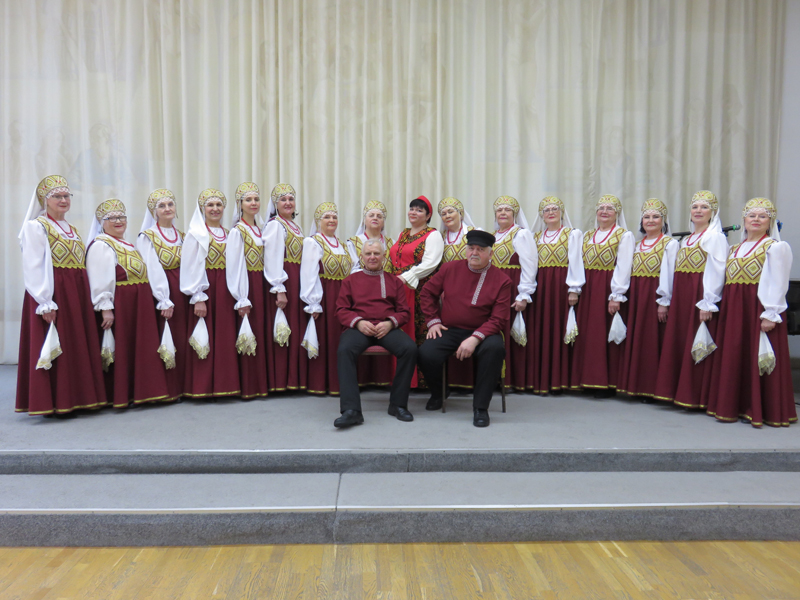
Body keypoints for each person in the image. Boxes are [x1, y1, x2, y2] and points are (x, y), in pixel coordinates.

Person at [16, 175, 107, 416]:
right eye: (57, 196)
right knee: (58, 341)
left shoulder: (72, 229)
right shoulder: (36, 227)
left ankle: (80, 397)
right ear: (45, 200)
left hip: (76, 291)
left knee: (76, 341)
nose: (63, 200)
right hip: (54, 291)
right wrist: (45, 301)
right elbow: (34, 265)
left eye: (66, 196)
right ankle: (55, 401)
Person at [706, 198, 796, 427]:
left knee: (758, 356)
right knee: (734, 354)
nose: (756, 220)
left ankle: (763, 409)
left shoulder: (776, 247)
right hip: (734, 311)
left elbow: (778, 282)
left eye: (762, 216)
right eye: (751, 215)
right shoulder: (734, 249)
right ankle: (733, 405)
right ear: (744, 220)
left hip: (758, 309)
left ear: (770, 222)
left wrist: (771, 312)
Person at [418, 230, 512, 427]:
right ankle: (439, 392)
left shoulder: (502, 280)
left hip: (485, 332)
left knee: (494, 350)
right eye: (471, 248)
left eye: (480, 249)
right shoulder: (450, 268)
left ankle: (480, 408)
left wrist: (475, 338)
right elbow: (427, 293)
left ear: (490, 253)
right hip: (450, 329)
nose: (474, 253)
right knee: (426, 352)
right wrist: (433, 321)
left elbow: (499, 318)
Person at [85, 199, 175, 407]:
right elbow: (100, 279)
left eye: (121, 217)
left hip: (139, 304)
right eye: (112, 218)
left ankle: (143, 391)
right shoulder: (101, 245)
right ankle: (122, 394)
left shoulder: (126, 244)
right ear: (102, 223)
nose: (118, 221)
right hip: (124, 305)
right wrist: (106, 308)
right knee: (124, 347)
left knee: (140, 347)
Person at [653, 191, 728, 408]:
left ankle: (696, 396)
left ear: (713, 212)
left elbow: (717, 270)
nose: (698, 211)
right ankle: (677, 391)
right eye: (695, 207)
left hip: (699, 296)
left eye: (704, 207)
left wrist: (708, 302)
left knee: (698, 341)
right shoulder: (686, 240)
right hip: (682, 296)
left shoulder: (715, 237)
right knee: (680, 340)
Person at [334, 239, 417, 427]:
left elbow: (404, 312)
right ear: (362, 256)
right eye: (368, 253)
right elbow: (341, 310)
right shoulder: (350, 281)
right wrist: (358, 322)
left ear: (383, 256)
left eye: (376, 253)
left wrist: (390, 323)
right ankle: (351, 410)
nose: (372, 257)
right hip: (359, 328)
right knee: (345, 350)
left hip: (385, 328)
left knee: (409, 349)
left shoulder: (394, 281)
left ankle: (398, 405)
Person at [570, 195, 634, 397]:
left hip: (607, 288)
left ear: (617, 213)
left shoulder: (624, 235)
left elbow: (624, 266)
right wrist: (575, 289)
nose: (604, 211)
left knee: (604, 333)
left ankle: (605, 382)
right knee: (588, 333)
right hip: (589, 288)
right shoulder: (588, 235)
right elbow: (578, 263)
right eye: (601, 208)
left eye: (610, 208)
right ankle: (586, 380)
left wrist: (616, 295)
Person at [180, 189, 241, 399]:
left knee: (225, 336)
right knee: (206, 335)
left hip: (227, 289)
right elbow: (190, 267)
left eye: (219, 205)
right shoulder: (196, 234)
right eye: (210, 205)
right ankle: (203, 387)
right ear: (202, 209)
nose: (215, 209)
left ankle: (226, 384)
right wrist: (198, 297)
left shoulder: (230, 234)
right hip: (207, 290)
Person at [617, 199, 678, 400]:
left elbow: (669, 274)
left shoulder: (669, 244)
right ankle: (634, 385)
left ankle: (651, 388)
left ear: (663, 221)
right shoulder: (636, 245)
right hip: (636, 296)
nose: (650, 220)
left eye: (655, 217)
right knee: (636, 338)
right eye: (646, 217)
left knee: (651, 340)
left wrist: (663, 301)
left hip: (654, 296)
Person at [527, 197, 584, 394]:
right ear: (541, 215)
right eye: (546, 210)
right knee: (541, 330)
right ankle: (540, 379)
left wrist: (573, 289)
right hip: (541, 287)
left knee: (560, 329)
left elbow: (576, 261)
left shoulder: (572, 234)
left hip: (560, 286)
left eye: (554, 209)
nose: (550, 212)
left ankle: (559, 381)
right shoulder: (535, 237)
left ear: (562, 213)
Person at [136, 188, 187, 400]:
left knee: (183, 336)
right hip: (164, 291)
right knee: (167, 336)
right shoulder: (147, 236)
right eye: (162, 206)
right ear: (154, 211)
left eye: (170, 204)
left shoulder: (182, 236)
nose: (167, 209)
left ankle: (185, 386)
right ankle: (168, 388)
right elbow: (152, 268)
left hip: (183, 291)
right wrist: (163, 299)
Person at [387, 196, 444, 384]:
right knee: (399, 332)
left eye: (419, 210)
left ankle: (421, 381)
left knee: (419, 333)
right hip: (399, 290)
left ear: (428, 216)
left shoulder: (433, 235)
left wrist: (407, 277)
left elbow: (430, 263)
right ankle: (401, 379)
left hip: (419, 290)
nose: (414, 212)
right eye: (412, 209)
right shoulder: (403, 234)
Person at [300, 202, 352, 395]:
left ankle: (341, 382)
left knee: (341, 339)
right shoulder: (313, 242)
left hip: (343, 298)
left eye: (334, 217)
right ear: (318, 221)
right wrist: (313, 302)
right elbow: (309, 273)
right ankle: (322, 383)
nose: (332, 220)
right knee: (327, 338)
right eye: (327, 217)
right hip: (325, 296)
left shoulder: (344, 245)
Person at [226, 182, 270, 399]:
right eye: (248, 200)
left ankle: (262, 383)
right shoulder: (238, 231)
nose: (253, 203)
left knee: (261, 330)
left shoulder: (260, 230)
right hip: (248, 284)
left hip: (261, 284)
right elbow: (235, 265)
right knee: (249, 330)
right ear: (240, 204)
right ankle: (250, 385)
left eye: (256, 199)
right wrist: (241, 296)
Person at [262, 183, 307, 391]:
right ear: (275, 204)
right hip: (285, 280)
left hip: (297, 280)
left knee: (296, 326)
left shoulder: (295, 226)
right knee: (283, 327)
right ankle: (281, 380)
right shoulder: (275, 225)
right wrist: (279, 287)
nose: (288, 203)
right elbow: (272, 258)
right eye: (283, 200)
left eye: (291, 199)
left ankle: (295, 378)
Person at [491, 195, 537, 390]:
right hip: (493, 291)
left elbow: (530, 265)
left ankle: (511, 380)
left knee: (512, 334)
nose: (503, 213)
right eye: (499, 210)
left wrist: (524, 294)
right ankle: (494, 378)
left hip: (512, 289)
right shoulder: (493, 235)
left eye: (507, 210)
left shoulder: (521, 234)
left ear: (515, 214)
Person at [346, 200, 394, 273]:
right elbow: (353, 269)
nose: (375, 218)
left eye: (379, 216)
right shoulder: (353, 243)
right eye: (371, 215)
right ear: (364, 220)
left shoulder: (391, 243)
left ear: (383, 222)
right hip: (362, 279)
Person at [438, 197, 476, 263]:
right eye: (443, 214)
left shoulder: (473, 233)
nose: (447, 216)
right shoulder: (440, 237)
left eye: (450, 212)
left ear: (460, 214)